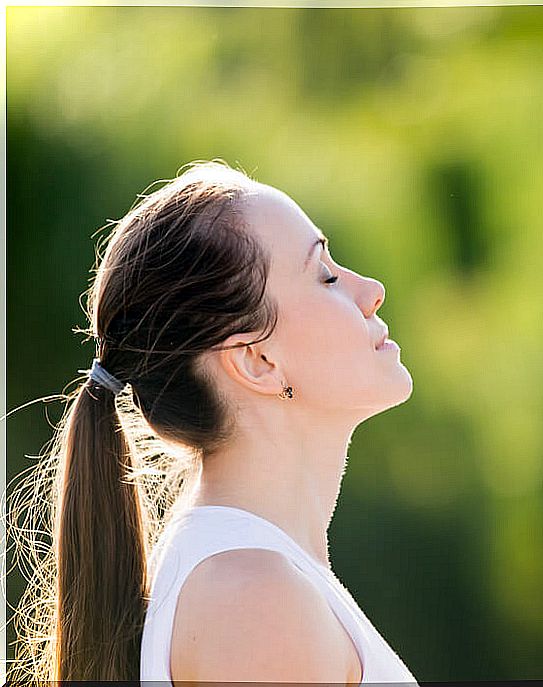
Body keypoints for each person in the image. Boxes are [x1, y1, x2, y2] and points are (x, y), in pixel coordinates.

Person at [6, 160, 417, 684]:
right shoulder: (253, 597)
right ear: (256, 362)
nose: (371, 290)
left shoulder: (256, 579)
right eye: (326, 275)